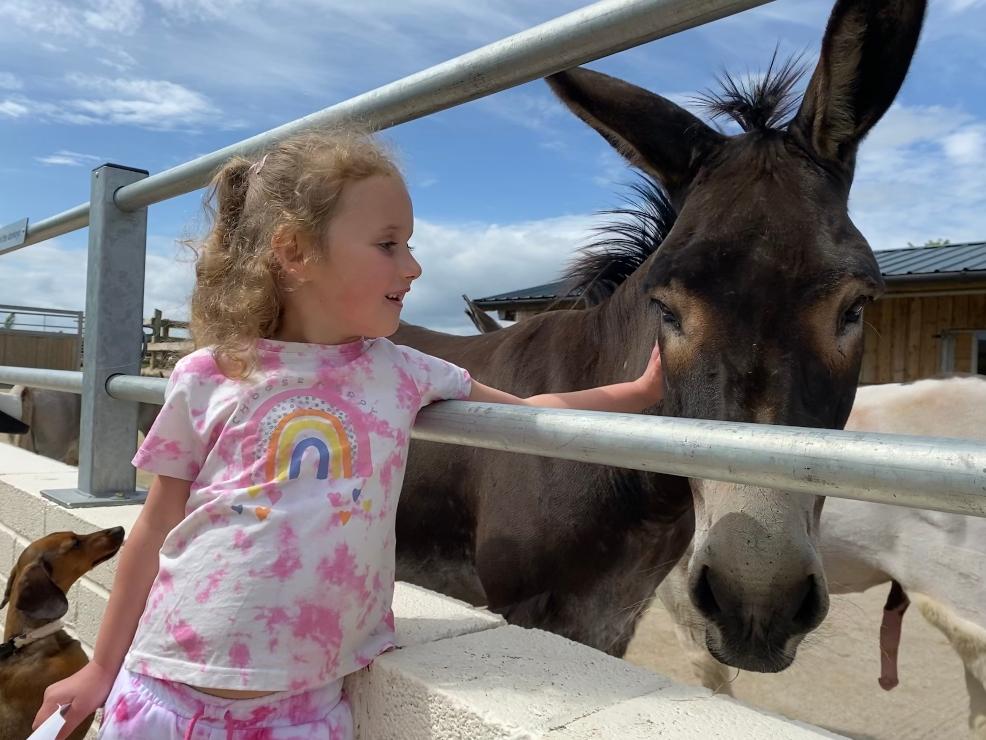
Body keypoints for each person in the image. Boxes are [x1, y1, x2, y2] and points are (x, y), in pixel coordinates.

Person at [35, 129, 664, 739]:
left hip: (303, 712)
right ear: (295, 252)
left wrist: (638, 393)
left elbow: (525, 411)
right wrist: (101, 667)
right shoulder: (210, 372)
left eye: (409, 244)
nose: (413, 266)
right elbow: (155, 525)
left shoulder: (403, 372)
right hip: (162, 690)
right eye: (389, 244)